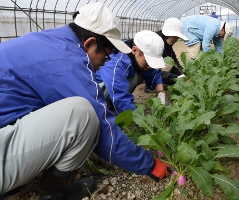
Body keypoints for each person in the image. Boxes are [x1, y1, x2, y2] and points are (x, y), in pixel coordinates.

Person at [0, 3, 169, 200]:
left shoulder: (50, 41)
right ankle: (55, 194)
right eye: (105, 56)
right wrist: (150, 164)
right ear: (89, 43)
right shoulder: (66, 62)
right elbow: (106, 133)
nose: (105, 62)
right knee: (83, 115)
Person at [95, 30, 167, 115]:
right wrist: (138, 118)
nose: (150, 66)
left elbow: (153, 73)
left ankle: (115, 105)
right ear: (135, 50)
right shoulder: (116, 63)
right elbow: (119, 95)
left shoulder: (136, 56)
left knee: (143, 70)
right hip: (97, 92)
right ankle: (105, 108)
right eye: (148, 61)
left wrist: (160, 93)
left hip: (115, 88)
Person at [144, 17, 189, 93]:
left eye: (178, 37)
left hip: (154, 69)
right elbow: (152, 70)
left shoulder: (168, 45)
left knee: (170, 63)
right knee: (162, 66)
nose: (177, 39)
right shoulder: (154, 43)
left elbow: (175, 63)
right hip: (145, 71)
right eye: (175, 36)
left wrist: (184, 74)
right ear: (168, 33)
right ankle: (150, 85)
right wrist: (176, 78)